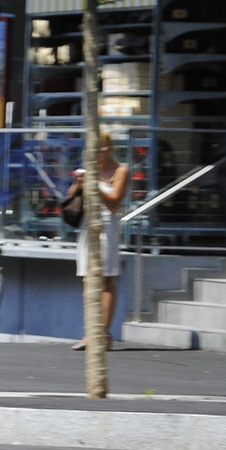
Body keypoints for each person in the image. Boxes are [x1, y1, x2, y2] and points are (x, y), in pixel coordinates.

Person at [68, 133, 130, 350]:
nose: (94, 157)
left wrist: (94, 184)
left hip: (106, 225)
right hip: (87, 223)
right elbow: (71, 197)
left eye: (98, 152)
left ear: (108, 150)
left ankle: (101, 333)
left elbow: (114, 202)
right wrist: (78, 184)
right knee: (88, 278)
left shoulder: (121, 170)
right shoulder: (90, 169)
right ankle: (93, 332)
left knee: (105, 279)